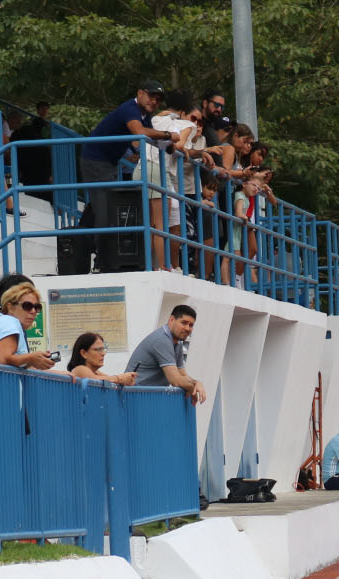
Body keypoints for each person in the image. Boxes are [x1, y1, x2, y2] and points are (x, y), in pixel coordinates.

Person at [79, 81, 175, 268]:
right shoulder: (129, 109)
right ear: (140, 93)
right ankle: (101, 262)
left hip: (109, 163)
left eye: (157, 100)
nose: (154, 102)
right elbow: (140, 133)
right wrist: (167, 134)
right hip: (96, 161)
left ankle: (96, 253)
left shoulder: (143, 114)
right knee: (105, 211)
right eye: (151, 97)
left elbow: (152, 140)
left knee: (108, 210)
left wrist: (169, 143)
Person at [135, 89, 196, 272]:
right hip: (157, 169)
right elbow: (178, 145)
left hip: (142, 167)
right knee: (161, 224)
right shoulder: (186, 125)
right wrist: (184, 148)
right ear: (184, 112)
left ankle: (158, 265)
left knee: (154, 222)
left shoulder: (153, 119)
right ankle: (163, 266)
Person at [124, 304, 206, 404]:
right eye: (184, 323)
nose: (188, 328)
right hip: (134, 399)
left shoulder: (177, 343)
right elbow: (175, 380)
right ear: (171, 320)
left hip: (149, 400)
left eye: (191, 325)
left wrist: (196, 382)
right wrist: (192, 388)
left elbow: (182, 375)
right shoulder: (161, 340)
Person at [0, 283, 54, 370]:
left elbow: (13, 363)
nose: (33, 311)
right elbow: (3, 360)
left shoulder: (2, 321)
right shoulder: (10, 322)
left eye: (37, 307)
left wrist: (34, 360)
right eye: (27, 306)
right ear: (11, 308)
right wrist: (31, 357)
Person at [68, 333, 135, 385]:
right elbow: (95, 380)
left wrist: (126, 380)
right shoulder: (80, 369)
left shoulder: (95, 372)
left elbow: (110, 379)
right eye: (98, 349)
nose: (103, 354)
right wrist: (120, 378)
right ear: (84, 353)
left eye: (103, 349)